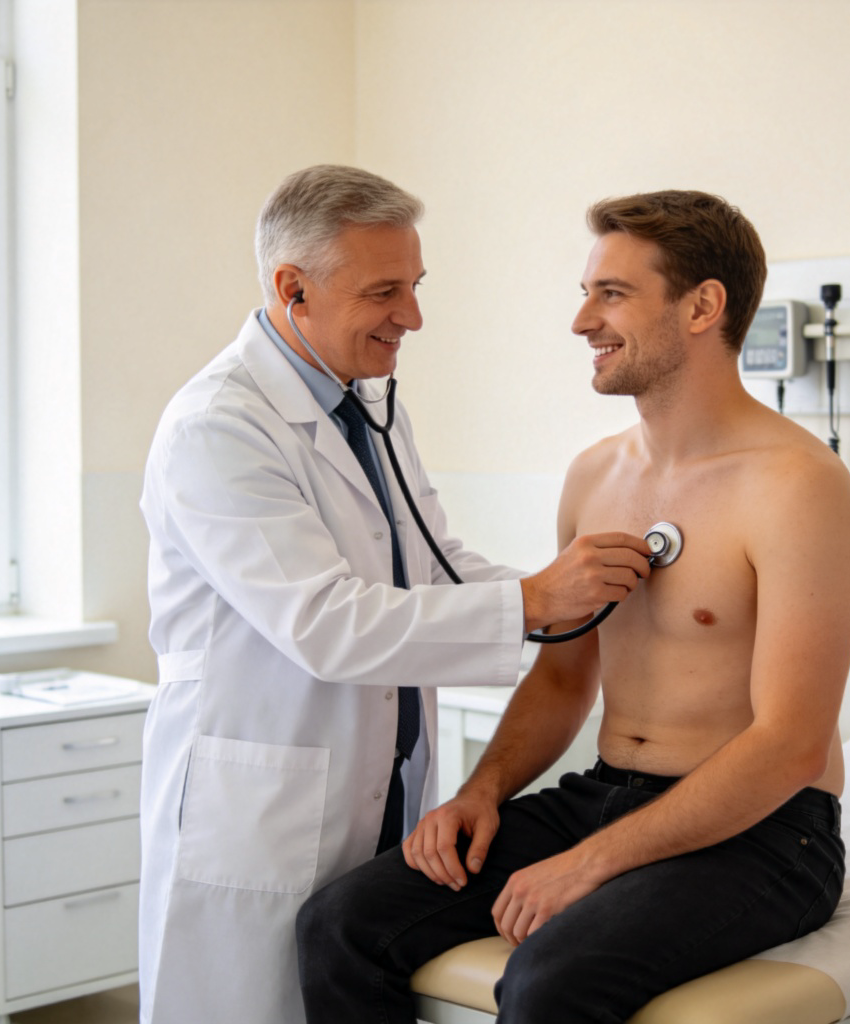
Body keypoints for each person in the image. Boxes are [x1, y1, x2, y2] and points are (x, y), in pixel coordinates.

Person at [296, 189, 850, 1023]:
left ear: (703, 305)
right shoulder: (596, 475)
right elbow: (565, 677)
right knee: (340, 926)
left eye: (612, 294)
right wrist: (484, 790)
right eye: (585, 293)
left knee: (549, 978)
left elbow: (789, 746)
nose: (581, 323)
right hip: (608, 791)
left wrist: (591, 863)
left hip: (769, 831)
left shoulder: (797, 486)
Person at [137, 165, 654, 1024]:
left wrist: (577, 598)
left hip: (376, 785)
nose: (412, 317)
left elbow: (435, 562)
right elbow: (325, 623)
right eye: (385, 292)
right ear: (291, 288)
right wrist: (532, 602)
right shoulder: (217, 427)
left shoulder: (368, 404)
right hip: (261, 798)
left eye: (414, 287)